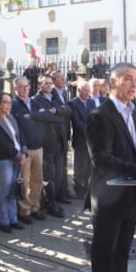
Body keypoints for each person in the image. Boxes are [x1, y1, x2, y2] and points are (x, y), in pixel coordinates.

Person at [85, 62, 136, 272]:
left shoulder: (134, 114)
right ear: (113, 82)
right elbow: (101, 159)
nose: (134, 84)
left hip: (130, 195)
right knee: (104, 255)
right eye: (128, 78)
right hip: (108, 197)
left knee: (122, 252)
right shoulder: (99, 116)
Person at [32, 75, 71, 218]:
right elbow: (40, 117)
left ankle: (55, 200)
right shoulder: (36, 101)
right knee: (50, 176)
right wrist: (57, 114)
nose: (49, 86)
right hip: (47, 143)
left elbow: (67, 111)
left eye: (50, 83)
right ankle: (50, 204)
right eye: (45, 83)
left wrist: (54, 112)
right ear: (39, 85)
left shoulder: (55, 97)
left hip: (60, 142)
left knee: (59, 174)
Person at [0, 92, 27, 233]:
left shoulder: (11, 117)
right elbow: (2, 144)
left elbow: (20, 135)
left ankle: (14, 219)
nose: (8, 105)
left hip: (18, 158)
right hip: (5, 160)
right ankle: (4, 220)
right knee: (5, 191)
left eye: (10, 102)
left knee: (13, 190)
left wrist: (23, 151)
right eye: (5, 102)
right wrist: (18, 156)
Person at [11, 77, 48, 224]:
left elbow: (46, 116)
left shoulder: (35, 102)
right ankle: (24, 210)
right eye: (21, 87)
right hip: (25, 149)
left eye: (27, 86)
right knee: (24, 181)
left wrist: (31, 116)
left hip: (39, 147)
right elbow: (18, 124)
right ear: (16, 89)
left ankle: (35, 207)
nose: (25, 89)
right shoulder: (13, 105)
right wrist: (35, 117)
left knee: (37, 180)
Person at [68, 81, 96, 199]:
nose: (87, 93)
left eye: (88, 90)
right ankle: (78, 189)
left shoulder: (91, 102)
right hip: (81, 140)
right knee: (80, 166)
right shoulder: (73, 103)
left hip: (92, 140)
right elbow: (76, 122)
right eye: (84, 91)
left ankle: (87, 189)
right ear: (78, 91)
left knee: (90, 166)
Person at [51, 71, 73, 203]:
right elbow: (64, 110)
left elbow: (67, 110)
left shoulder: (63, 93)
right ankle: (56, 196)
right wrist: (63, 109)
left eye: (63, 77)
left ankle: (64, 192)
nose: (63, 79)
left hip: (65, 134)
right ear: (54, 81)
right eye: (60, 78)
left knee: (64, 166)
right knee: (57, 169)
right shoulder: (53, 93)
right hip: (57, 136)